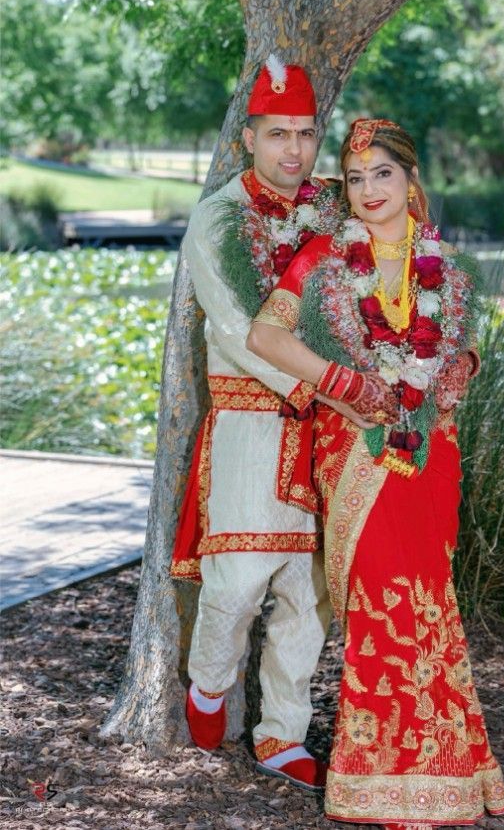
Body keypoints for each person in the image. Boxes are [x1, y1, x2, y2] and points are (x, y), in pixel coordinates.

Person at [247, 118, 504, 827]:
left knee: (430, 600)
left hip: (431, 458)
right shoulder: (323, 260)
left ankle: (447, 771)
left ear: (410, 179)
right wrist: (341, 380)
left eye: (381, 174)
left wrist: (463, 367)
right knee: (377, 605)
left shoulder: (446, 265)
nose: (367, 190)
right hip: (358, 450)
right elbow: (263, 335)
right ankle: (380, 778)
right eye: (355, 178)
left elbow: (461, 345)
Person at [169, 55, 355, 791]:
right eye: (277, 133)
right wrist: (329, 384)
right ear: (247, 137)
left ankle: (281, 729)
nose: (293, 151)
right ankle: (208, 684)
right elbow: (238, 323)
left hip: (326, 428)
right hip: (252, 421)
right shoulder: (218, 216)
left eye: (306, 135)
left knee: (309, 596)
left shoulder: (333, 211)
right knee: (239, 580)